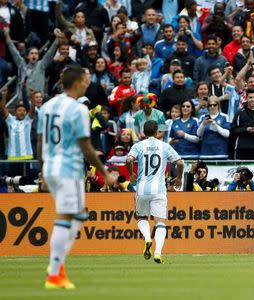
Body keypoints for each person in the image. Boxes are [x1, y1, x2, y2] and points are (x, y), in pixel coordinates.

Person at [37, 66, 114, 289]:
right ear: (77, 82)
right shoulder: (77, 109)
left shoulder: (47, 106)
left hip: (51, 167)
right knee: (66, 216)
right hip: (68, 169)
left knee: (79, 215)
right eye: (86, 79)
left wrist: (42, 172)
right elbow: (86, 147)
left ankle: (57, 262)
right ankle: (54, 273)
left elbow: (40, 142)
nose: (88, 83)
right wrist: (104, 172)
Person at [127, 120, 184, 264]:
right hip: (159, 190)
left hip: (142, 189)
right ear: (157, 131)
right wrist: (178, 178)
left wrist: (131, 173)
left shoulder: (138, 146)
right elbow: (180, 162)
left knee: (141, 217)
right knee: (160, 222)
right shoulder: (164, 146)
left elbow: (128, 160)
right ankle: (158, 252)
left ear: (144, 132)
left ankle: (147, 237)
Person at [1, 88, 35, 161]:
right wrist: (4, 95)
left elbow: (32, 108)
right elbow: (3, 107)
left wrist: (32, 96)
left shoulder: (28, 120)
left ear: (26, 112)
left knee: (26, 173)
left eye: (24, 111)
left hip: (27, 156)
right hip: (12, 156)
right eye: (19, 110)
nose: (22, 112)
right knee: (14, 173)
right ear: (15, 112)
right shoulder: (10, 120)